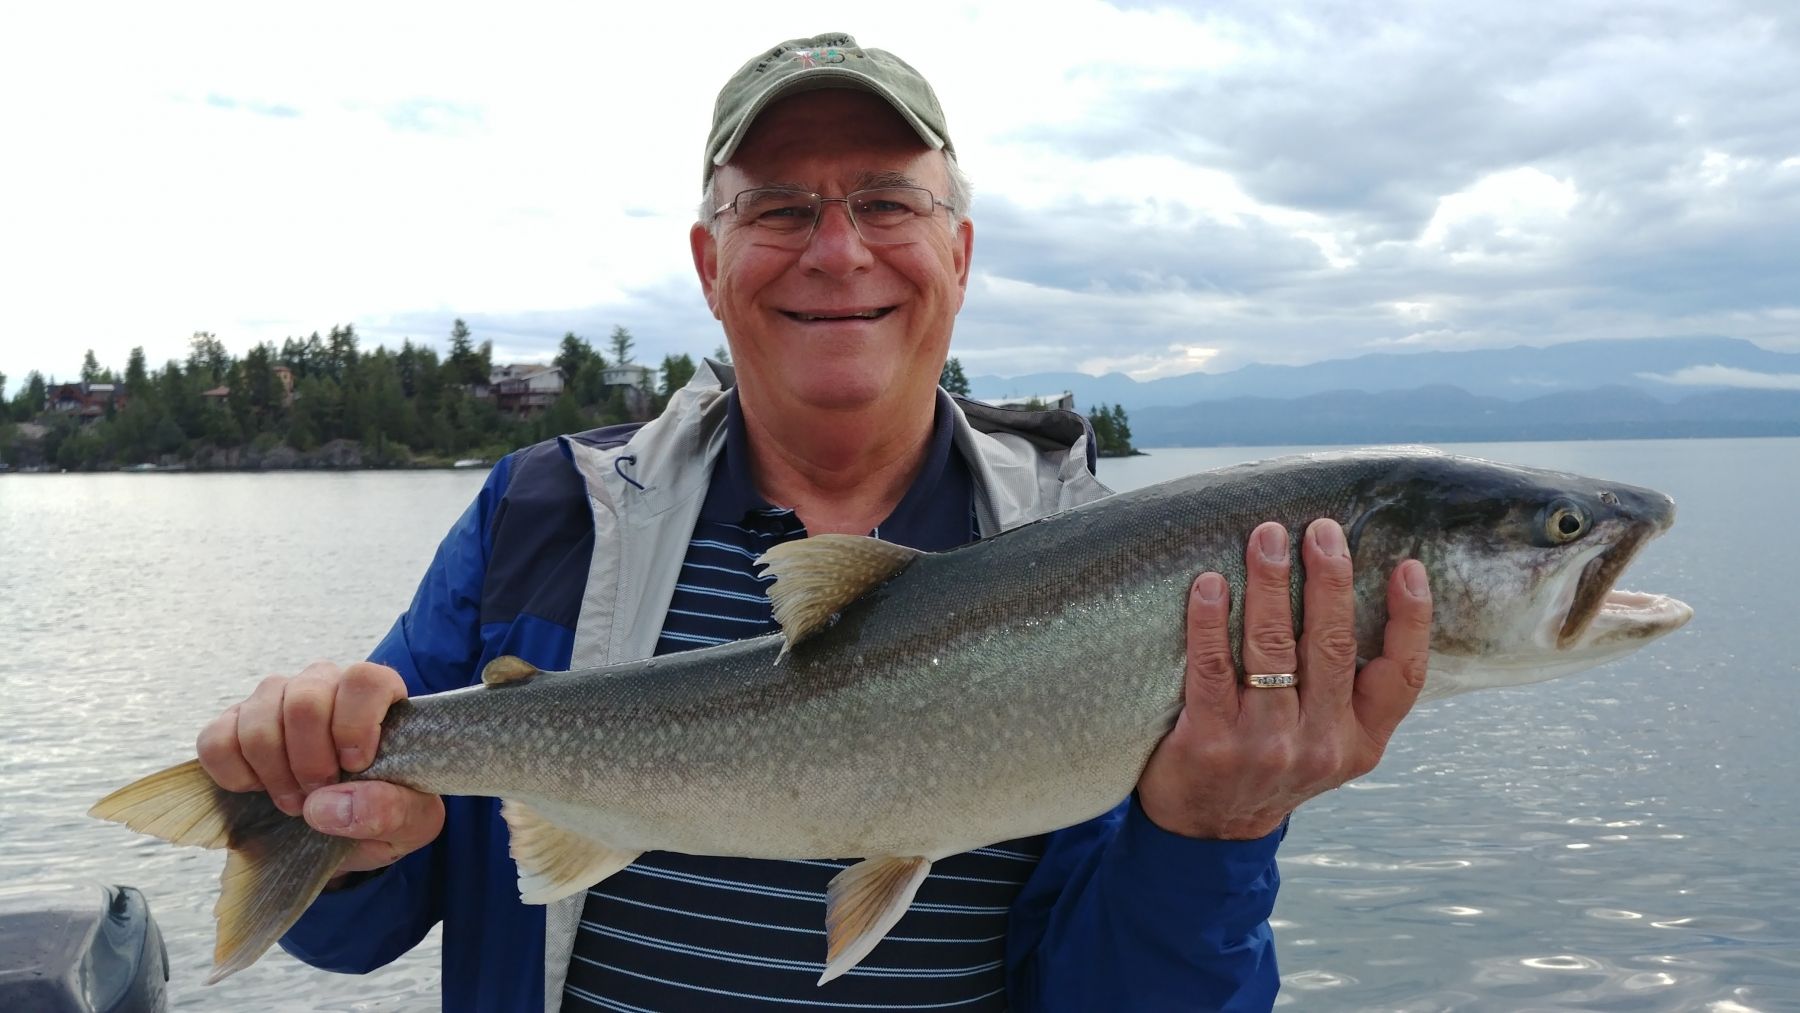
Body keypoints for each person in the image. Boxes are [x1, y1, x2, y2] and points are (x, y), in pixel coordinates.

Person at [196, 32, 1433, 1012]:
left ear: (959, 251)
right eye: (780, 208)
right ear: (709, 263)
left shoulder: (1138, 588)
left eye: (888, 203)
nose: (838, 252)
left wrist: (1215, 829)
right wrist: (326, 813)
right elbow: (351, 933)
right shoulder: (543, 513)